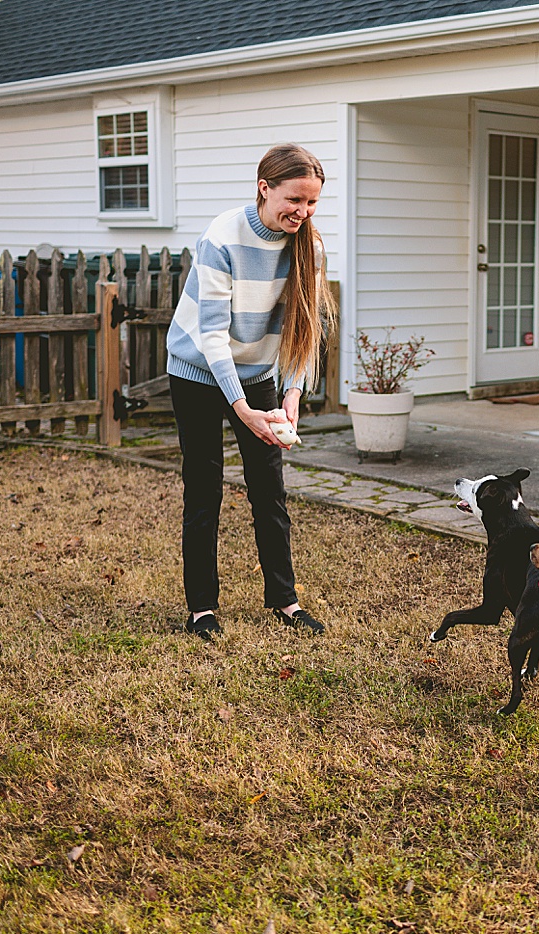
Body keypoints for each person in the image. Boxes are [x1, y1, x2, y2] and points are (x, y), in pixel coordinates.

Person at [165, 143, 336, 637]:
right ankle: (202, 609)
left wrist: (292, 394)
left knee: (270, 490)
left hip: (259, 373)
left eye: (312, 204)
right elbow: (213, 335)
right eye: (294, 200)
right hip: (199, 372)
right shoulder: (222, 236)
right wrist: (242, 409)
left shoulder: (309, 247)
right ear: (264, 189)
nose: (302, 213)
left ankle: (284, 600)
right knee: (204, 489)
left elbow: (302, 327)